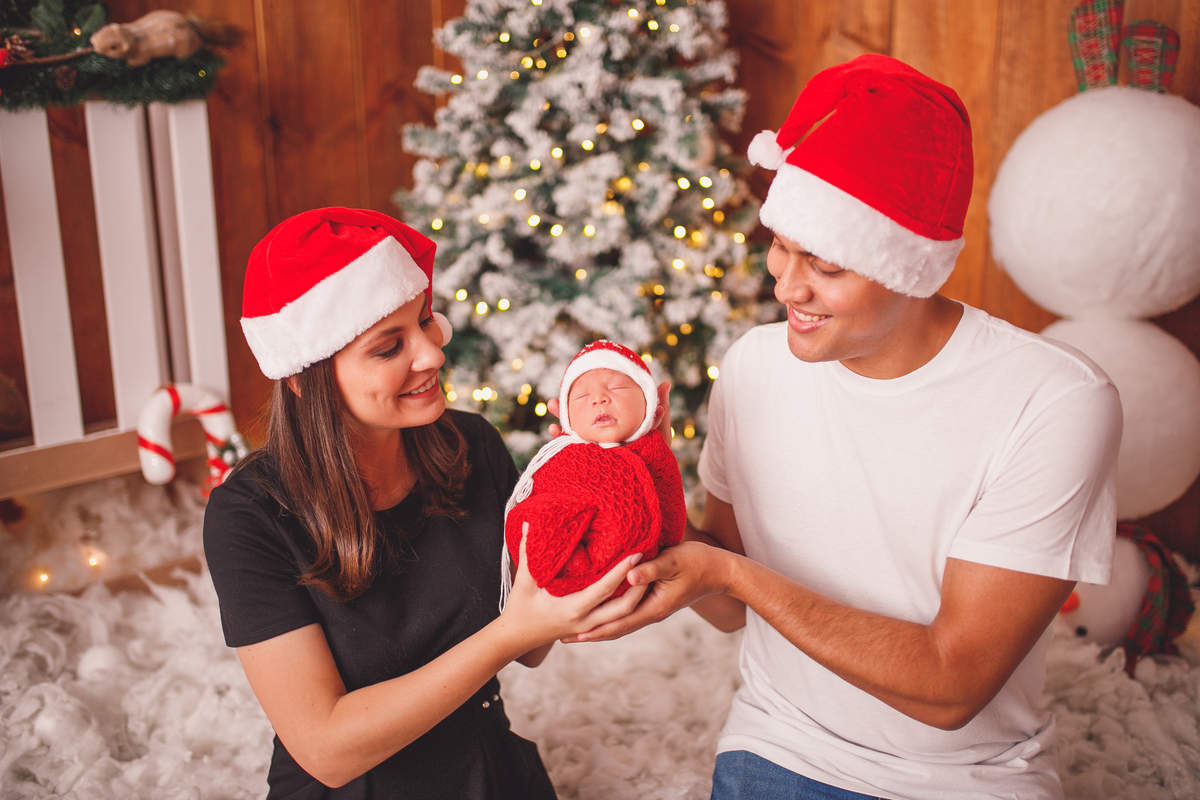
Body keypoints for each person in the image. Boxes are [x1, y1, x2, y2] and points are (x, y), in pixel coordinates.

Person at [568, 55, 1124, 799]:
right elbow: (731, 607)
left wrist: (730, 572)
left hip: (967, 777)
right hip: (783, 743)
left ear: (910, 268)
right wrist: (643, 501)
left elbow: (953, 685)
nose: (786, 285)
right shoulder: (755, 367)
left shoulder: (1055, 399)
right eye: (781, 247)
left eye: (824, 266)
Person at [202, 207, 646, 798]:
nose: (434, 353)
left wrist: (608, 488)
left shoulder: (471, 445)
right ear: (305, 378)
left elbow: (534, 644)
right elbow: (326, 751)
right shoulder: (249, 515)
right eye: (389, 348)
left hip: (490, 775)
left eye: (424, 321)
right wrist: (512, 633)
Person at [500, 340, 686, 606]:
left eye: (617, 387)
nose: (599, 399)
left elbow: (671, 522)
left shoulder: (654, 451)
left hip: (633, 566)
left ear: (651, 407)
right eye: (581, 397)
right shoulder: (563, 455)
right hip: (564, 553)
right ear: (567, 419)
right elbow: (540, 496)